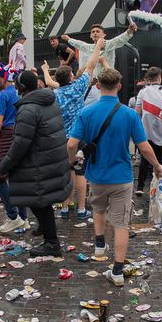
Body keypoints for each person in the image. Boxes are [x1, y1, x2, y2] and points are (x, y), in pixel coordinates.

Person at [68, 67, 162, 285]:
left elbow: (72, 143)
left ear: (98, 86)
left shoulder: (86, 112)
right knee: (121, 223)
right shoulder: (129, 114)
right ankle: (118, 271)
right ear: (119, 87)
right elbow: (144, 147)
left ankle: (100, 243)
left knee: (99, 209)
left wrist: (72, 160)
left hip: (96, 175)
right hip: (122, 176)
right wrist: (158, 166)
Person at [0, 70, 72, 257]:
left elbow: (21, 143)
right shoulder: (49, 101)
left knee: (39, 202)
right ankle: (46, 231)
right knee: (42, 201)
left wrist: (5, 165)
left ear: (20, 88)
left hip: (38, 163)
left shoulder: (27, 109)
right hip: (51, 159)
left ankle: (52, 243)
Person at [43, 39, 104, 219]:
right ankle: (81, 209)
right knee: (80, 172)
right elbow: (91, 66)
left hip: (61, 139)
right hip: (78, 138)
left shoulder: (55, 93)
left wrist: (45, 70)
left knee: (66, 172)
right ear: (70, 77)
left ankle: (64, 207)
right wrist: (98, 46)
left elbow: (49, 82)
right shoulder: (78, 88)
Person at [0, 67, 27, 234]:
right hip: (18, 134)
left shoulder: (3, 95)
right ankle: (24, 219)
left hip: (5, 136)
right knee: (16, 177)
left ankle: (13, 217)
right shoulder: (18, 93)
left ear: (4, 78)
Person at [134, 66, 162, 195]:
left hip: (146, 130)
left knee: (145, 158)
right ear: (159, 77)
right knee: (159, 157)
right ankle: (160, 183)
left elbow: (137, 112)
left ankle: (140, 186)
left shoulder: (143, 92)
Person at [62, 20, 136, 71]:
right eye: (93, 32)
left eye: (97, 31)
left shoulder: (109, 44)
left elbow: (120, 39)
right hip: (96, 82)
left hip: (109, 80)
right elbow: (80, 44)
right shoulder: (90, 47)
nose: (95, 33)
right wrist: (69, 39)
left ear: (103, 35)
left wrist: (129, 31)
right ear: (90, 35)